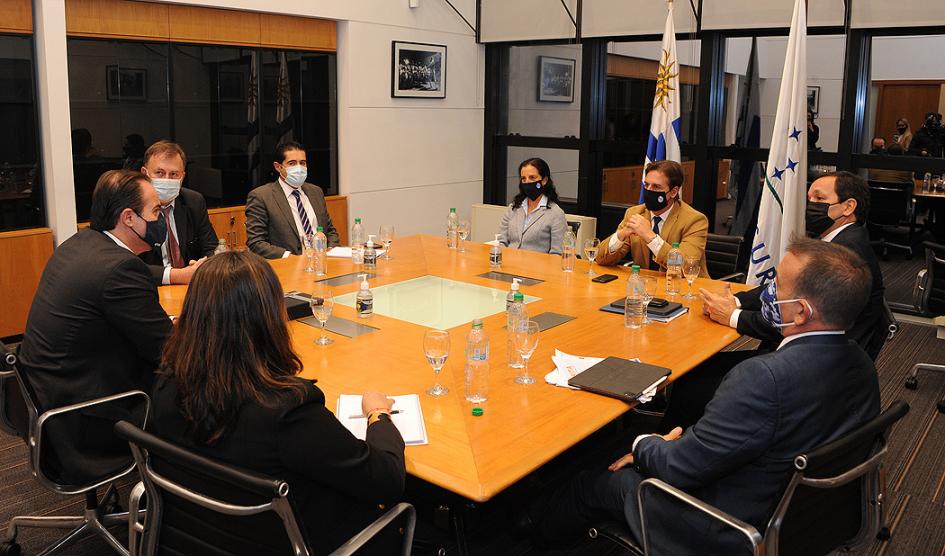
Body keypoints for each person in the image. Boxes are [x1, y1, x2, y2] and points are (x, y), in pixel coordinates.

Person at [529, 238, 880, 553]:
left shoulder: (764, 378)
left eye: (777, 285)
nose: (768, 290)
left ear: (801, 311)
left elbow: (677, 469)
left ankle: (526, 536)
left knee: (594, 481)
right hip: (801, 518)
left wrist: (645, 443)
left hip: (728, 525)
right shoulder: (861, 363)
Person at [149, 250, 405, 553]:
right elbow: (386, 481)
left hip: (200, 536)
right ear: (268, 318)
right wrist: (378, 414)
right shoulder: (288, 412)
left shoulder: (165, 384)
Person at [17, 169, 172, 483]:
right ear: (128, 218)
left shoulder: (81, 243)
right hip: (85, 419)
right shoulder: (120, 269)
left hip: (45, 399)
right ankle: (187, 497)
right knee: (191, 386)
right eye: (155, 211)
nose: (161, 218)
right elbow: (168, 349)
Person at [595, 160, 709, 276]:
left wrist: (650, 237)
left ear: (673, 192)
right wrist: (621, 235)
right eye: (646, 185)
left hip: (686, 289)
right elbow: (601, 258)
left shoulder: (695, 220)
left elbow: (685, 267)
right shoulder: (635, 213)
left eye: (656, 187)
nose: (649, 190)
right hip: (645, 286)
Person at [139, 140, 217, 286]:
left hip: (192, 287)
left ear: (183, 176)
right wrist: (177, 276)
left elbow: (211, 247)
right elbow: (127, 265)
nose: (167, 180)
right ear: (145, 174)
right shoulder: (133, 208)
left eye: (174, 174)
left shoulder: (194, 201)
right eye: (159, 173)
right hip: (151, 288)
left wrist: (202, 266)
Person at [246, 141, 340, 259]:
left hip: (321, 261)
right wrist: (290, 258)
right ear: (278, 167)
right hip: (288, 266)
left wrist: (331, 250)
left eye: (302, 163)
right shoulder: (261, 196)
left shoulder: (315, 192)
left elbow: (330, 230)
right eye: (292, 163)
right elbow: (256, 242)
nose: (299, 168)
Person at [497, 157, 568, 255]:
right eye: (523, 179)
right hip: (509, 264)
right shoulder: (513, 208)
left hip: (537, 268)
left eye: (532, 178)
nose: (527, 182)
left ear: (544, 180)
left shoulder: (556, 214)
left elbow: (557, 254)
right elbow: (502, 241)